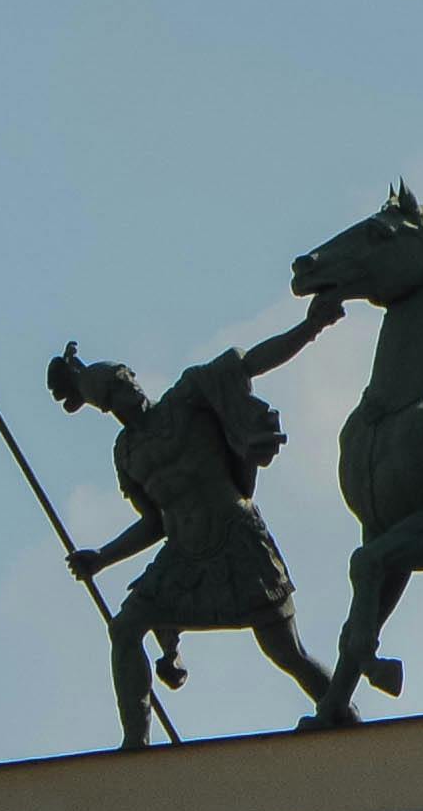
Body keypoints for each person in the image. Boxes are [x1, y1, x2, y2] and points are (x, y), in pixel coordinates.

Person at [50, 315, 354, 735]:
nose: (128, 391)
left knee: (286, 652)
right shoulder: (127, 453)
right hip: (183, 553)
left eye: (126, 380)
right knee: (125, 629)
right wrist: (101, 557)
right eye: (115, 392)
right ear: (107, 407)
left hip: (237, 540)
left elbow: (249, 363)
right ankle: (135, 746)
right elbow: (154, 522)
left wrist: (311, 326)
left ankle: (342, 712)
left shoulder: (187, 397)